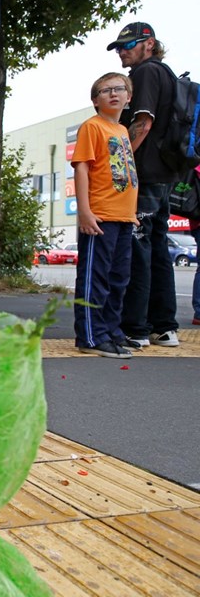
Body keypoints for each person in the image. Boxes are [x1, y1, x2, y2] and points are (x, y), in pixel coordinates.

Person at [108, 22, 180, 348]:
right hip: (166, 173)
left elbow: (143, 122)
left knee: (138, 248)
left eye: (129, 44)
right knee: (158, 249)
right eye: (120, 46)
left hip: (146, 174)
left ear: (148, 44)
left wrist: (120, 167)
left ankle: (135, 328)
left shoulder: (146, 73)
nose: (122, 51)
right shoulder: (167, 73)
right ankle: (164, 327)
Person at [72, 73, 140, 358]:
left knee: (118, 279)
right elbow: (82, 168)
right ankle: (91, 335)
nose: (113, 94)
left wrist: (132, 214)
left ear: (129, 96)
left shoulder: (123, 131)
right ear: (94, 100)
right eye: (105, 90)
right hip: (100, 216)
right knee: (95, 278)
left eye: (119, 89)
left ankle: (111, 330)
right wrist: (85, 212)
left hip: (124, 217)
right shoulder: (92, 127)